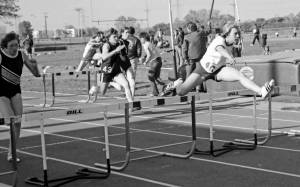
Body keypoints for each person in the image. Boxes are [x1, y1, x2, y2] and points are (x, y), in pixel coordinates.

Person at [173, 22, 274, 100]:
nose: (238, 36)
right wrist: (229, 57)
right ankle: (174, 85)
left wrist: (235, 47)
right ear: (227, 34)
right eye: (235, 34)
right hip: (202, 71)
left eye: (238, 34)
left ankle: (261, 91)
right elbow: (219, 48)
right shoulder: (219, 39)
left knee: (240, 75)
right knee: (181, 92)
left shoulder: (230, 43)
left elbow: (227, 47)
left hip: (218, 71)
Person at [0, 32, 41, 162]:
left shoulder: (22, 55)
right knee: (10, 121)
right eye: (11, 46)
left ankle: (11, 153)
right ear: (5, 47)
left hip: (15, 92)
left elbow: (36, 74)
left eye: (16, 45)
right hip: (1, 93)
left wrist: (35, 65)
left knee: (17, 123)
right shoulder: (0, 55)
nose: (14, 48)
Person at [96, 28, 134, 103]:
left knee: (126, 84)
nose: (116, 38)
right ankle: (110, 83)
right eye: (114, 37)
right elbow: (104, 57)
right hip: (106, 70)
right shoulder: (106, 45)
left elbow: (125, 40)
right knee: (102, 92)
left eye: (117, 36)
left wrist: (129, 42)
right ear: (109, 38)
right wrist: (115, 51)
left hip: (116, 70)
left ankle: (131, 104)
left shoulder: (118, 43)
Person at [182, 22, 211, 91]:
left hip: (191, 58)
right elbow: (209, 31)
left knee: (189, 73)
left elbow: (184, 49)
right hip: (201, 57)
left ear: (189, 29)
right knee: (199, 73)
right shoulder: (201, 33)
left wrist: (185, 58)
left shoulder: (187, 37)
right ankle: (199, 88)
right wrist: (209, 24)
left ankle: (187, 87)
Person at [139, 32, 165, 96]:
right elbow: (151, 53)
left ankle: (155, 93)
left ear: (144, 38)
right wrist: (144, 57)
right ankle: (169, 85)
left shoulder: (145, 44)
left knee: (150, 77)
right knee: (156, 78)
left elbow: (149, 55)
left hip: (154, 62)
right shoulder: (150, 43)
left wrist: (145, 62)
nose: (140, 40)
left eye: (141, 38)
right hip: (159, 60)